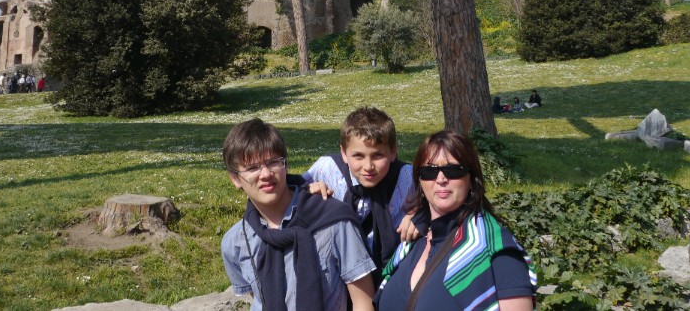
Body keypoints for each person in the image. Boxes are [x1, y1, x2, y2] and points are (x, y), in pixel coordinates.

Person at [220, 118, 376, 311]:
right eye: (252, 168)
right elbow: (260, 300)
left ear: (286, 165)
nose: (266, 174)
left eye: (273, 162)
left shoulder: (334, 221)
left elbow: (364, 302)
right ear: (235, 179)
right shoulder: (235, 242)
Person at [376, 131, 537, 311]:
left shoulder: (496, 249)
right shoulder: (410, 244)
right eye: (429, 171)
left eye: (453, 170)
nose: (441, 179)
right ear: (419, 180)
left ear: (472, 178)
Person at [302, 107, 415, 282]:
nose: (368, 166)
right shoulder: (327, 168)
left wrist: (418, 215)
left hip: (395, 273)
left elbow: (439, 203)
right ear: (344, 153)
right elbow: (289, 192)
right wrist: (307, 190)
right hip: (337, 272)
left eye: (377, 155)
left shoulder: (408, 177)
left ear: (393, 152)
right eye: (358, 156)